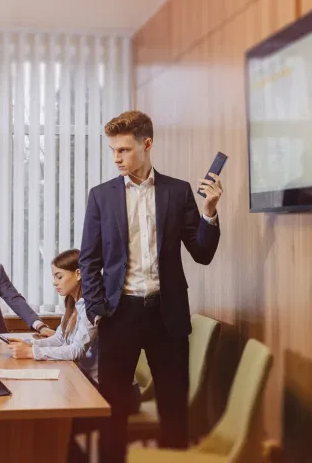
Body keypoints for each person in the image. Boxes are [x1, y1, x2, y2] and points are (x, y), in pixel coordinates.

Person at [79, 110, 223, 463]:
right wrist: (99, 313)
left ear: (147, 145)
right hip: (119, 315)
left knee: (174, 411)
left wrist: (209, 213)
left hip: (167, 316)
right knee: (112, 414)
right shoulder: (101, 196)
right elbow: (89, 261)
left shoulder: (178, 192)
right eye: (113, 150)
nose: (116, 158)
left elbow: (202, 253)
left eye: (124, 150)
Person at [6, 249, 97, 383]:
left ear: (78, 274)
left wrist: (31, 352)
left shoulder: (91, 306)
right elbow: (59, 339)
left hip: (101, 385)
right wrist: (29, 344)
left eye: (59, 277)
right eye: (54, 277)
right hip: (81, 377)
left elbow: (77, 350)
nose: (55, 282)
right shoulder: (72, 303)